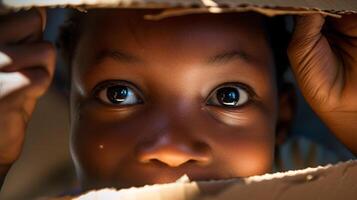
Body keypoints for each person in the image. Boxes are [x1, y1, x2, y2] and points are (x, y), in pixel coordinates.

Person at [0, 8, 356, 192]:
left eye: (228, 96)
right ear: (74, 117)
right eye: (118, 94)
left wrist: (350, 117)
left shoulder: (304, 173)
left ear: (281, 120)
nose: (172, 149)